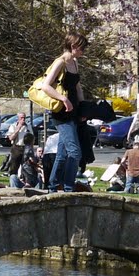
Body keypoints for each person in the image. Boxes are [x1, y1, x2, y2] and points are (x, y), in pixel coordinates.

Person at [40, 33, 87, 193]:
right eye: (82, 48)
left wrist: (83, 107)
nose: (83, 51)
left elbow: (77, 87)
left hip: (73, 111)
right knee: (75, 152)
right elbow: (45, 86)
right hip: (61, 112)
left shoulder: (74, 62)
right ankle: (68, 187)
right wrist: (63, 99)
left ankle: (52, 186)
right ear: (73, 46)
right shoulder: (60, 62)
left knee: (63, 152)